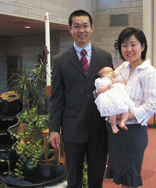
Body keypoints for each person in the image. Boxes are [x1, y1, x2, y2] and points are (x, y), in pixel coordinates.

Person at [48, 10, 113, 188]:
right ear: (70, 29)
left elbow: (111, 91)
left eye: (85, 26)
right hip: (72, 128)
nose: (81, 30)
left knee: (96, 177)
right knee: (73, 179)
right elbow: (56, 98)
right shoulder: (60, 60)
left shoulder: (105, 57)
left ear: (92, 28)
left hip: (98, 128)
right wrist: (54, 129)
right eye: (77, 26)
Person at [105, 27, 156, 188]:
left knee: (130, 177)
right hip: (116, 131)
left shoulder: (150, 73)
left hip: (133, 131)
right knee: (121, 176)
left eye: (133, 45)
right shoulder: (123, 67)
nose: (129, 50)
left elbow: (151, 106)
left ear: (142, 46)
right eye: (124, 45)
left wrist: (126, 117)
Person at [94, 66, 135, 133]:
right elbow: (98, 90)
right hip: (110, 99)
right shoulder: (101, 81)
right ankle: (113, 126)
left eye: (112, 71)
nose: (111, 73)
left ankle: (122, 122)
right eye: (108, 72)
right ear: (102, 75)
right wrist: (107, 87)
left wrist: (118, 81)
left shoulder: (116, 79)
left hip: (120, 98)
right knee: (112, 111)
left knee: (126, 109)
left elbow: (125, 83)